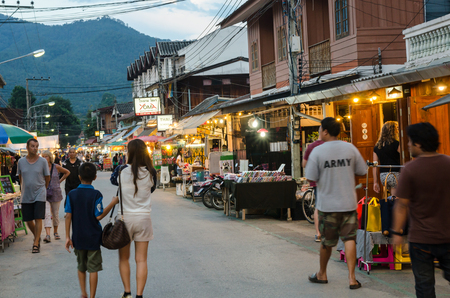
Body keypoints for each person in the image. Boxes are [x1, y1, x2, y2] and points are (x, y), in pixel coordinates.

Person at [305, 117, 367, 289]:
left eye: (319, 129)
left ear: (325, 131)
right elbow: (362, 170)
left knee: (327, 241)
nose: (319, 132)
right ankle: (352, 278)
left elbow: (310, 177)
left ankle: (322, 274)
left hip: (328, 205)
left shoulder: (318, 151)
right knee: (349, 239)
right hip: (348, 203)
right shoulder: (350, 148)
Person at [392, 122, 450, 298]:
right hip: (448, 237)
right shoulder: (448, 163)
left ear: (418, 144)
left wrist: (397, 233)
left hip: (420, 240)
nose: (408, 145)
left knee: (424, 287)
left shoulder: (410, 169)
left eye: (410, 141)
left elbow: (402, 205)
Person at [65, 162, 118, 298]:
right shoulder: (96, 194)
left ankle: (83, 293)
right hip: (94, 237)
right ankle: (92, 296)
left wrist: (67, 237)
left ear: (78, 176)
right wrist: (112, 203)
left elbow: (68, 216)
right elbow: (99, 215)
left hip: (78, 237)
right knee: (93, 269)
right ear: (95, 177)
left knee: (81, 266)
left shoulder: (72, 194)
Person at [118, 139, 155, 298]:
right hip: (144, 219)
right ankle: (139, 295)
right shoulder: (151, 172)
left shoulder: (120, 170)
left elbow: (115, 184)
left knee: (124, 258)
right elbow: (151, 190)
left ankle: (127, 293)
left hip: (125, 219)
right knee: (141, 260)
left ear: (130, 152)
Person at [18, 138, 50, 253]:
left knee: (38, 217)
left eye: (36, 146)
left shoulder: (43, 161)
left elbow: (47, 177)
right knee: (28, 219)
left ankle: (36, 242)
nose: (35, 148)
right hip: (26, 194)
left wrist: (43, 188)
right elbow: (20, 177)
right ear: (27, 148)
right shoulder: (21, 162)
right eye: (32, 146)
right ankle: (37, 235)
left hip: (40, 193)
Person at [41, 150, 70, 243]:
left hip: (55, 192)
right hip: (44, 193)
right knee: (46, 214)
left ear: (50, 157)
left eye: (46, 156)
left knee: (55, 214)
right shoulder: (40, 168)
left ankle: (56, 232)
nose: (45, 158)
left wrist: (59, 181)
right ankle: (48, 234)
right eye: (43, 156)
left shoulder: (56, 167)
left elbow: (67, 172)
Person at [302, 131, 324, 242]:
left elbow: (304, 164)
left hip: (317, 181)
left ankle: (318, 233)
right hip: (330, 181)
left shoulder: (311, 146)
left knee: (318, 207)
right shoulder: (330, 145)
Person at [372, 121, 400, 194]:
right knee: (395, 199)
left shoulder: (377, 146)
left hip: (383, 176)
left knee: (392, 196)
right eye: (396, 128)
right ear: (392, 130)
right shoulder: (396, 144)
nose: (398, 130)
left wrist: (375, 182)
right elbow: (405, 155)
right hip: (395, 174)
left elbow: (374, 165)